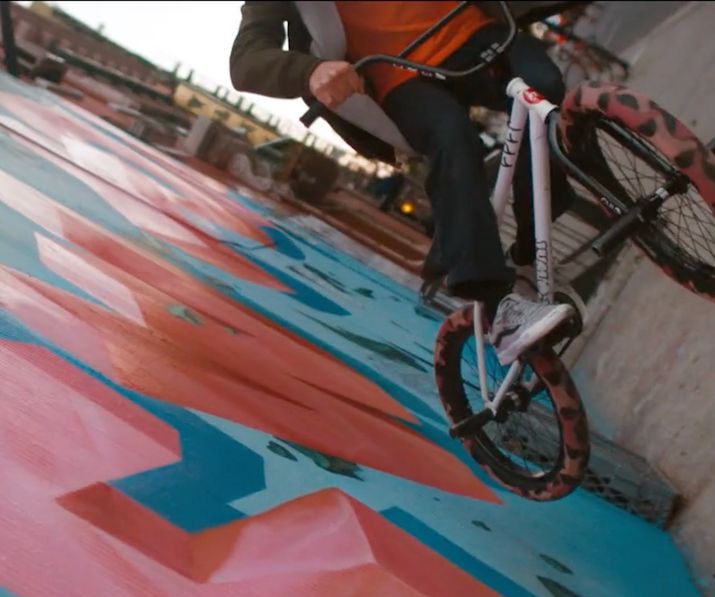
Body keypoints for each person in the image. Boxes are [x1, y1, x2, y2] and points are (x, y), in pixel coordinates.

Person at [230, 1, 579, 364]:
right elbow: (245, 63)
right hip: (401, 75)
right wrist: (310, 71)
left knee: (547, 87)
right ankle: (498, 308)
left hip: (472, 30)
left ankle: (529, 250)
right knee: (452, 137)